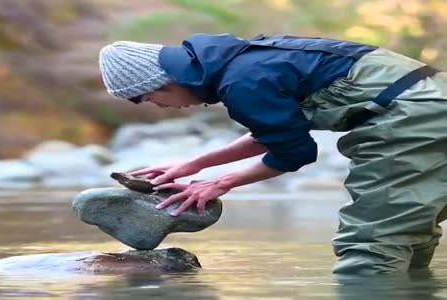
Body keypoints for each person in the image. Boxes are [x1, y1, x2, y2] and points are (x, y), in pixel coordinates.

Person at [98, 33, 447, 275]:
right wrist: (194, 165)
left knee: (370, 242)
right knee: (408, 228)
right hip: (433, 105)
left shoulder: (242, 82)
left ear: (163, 82)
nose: (157, 107)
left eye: (142, 99)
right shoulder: (247, 61)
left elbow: (294, 152)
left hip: (411, 120)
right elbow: (278, 132)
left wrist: (219, 184)